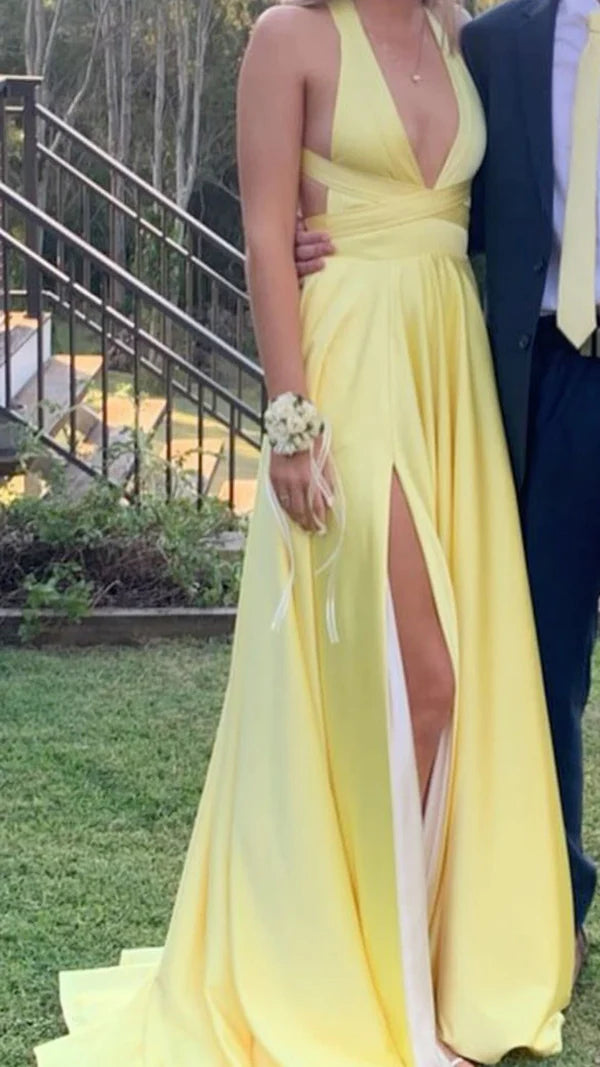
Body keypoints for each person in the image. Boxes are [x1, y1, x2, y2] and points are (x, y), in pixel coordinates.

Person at [34, 1, 574, 1066]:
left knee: (449, 675)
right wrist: (290, 419)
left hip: (450, 369)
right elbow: (265, 237)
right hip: (350, 368)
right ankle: (373, 979)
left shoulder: (460, 29)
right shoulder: (290, 36)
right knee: (421, 677)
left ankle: (431, 963)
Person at [299, 0, 599, 975]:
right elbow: (443, 195)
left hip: (497, 374)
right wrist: (326, 231)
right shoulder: (494, 42)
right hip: (551, 376)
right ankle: (554, 904)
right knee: (541, 653)